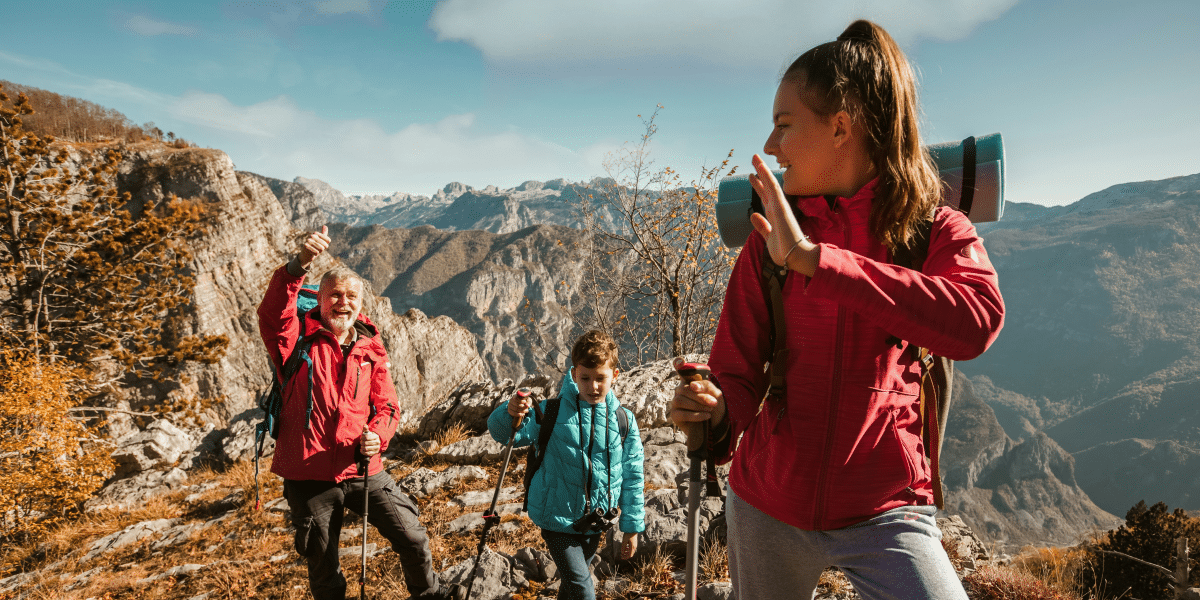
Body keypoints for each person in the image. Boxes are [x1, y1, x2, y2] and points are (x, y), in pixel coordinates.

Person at [669, 20, 1005, 600]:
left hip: (886, 512)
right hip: (766, 506)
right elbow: (738, 370)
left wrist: (818, 262)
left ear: (842, 127)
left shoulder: (932, 230)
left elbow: (976, 322)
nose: (771, 147)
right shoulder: (768, 238)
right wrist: (714, 412)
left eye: (784, 125)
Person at [258, 225, 461, 600]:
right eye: (334, 295)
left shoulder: (371, 348)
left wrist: (377, 435)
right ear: (319, 299)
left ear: (360, 303)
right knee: (324, 567)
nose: (343, 303)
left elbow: (388, 407)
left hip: (363, 468)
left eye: (351, 296)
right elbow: (273, 314)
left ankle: (428, 595)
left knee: (413, 536)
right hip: (309, 475)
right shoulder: (294, 342)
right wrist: (298, 264)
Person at [487, 330, 645, 600]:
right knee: (584, 589)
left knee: (571, 588)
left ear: (615, 376)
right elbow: (505, 434)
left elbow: (632, 475)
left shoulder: (624, 420)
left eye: (601, 378)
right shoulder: (551, 411)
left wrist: (631, 527)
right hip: (556, 519)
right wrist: (510, 411)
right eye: (585, 377)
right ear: (573, 374)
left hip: (596, 522)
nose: (593, 386)